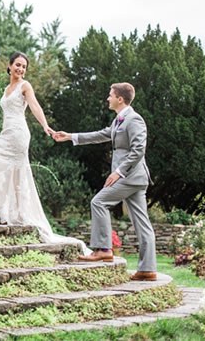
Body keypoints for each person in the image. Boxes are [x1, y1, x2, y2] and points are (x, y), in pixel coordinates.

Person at [0, 52, 90, 255]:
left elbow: (35, 106)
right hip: (7, 133)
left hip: (19, 135)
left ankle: (17, 210)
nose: (20, 69)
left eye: (24, 66)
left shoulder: (25, 85)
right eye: (17, 65)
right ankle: (6, 207)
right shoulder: (6, 89)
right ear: (10, 65)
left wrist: (46, 127)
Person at [53, 82, 157, 281]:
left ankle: (103, 249)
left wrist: (118, 172)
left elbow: (138, 150)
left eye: (110, 95)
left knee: (98, 202)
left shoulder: (134, 120)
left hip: (130, 177)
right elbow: (101, 134)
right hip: (134, 179)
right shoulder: (119, 120)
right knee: (142, 224)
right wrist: (71, 137)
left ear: (120, 98)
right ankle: (147, 269)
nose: (107, 98)